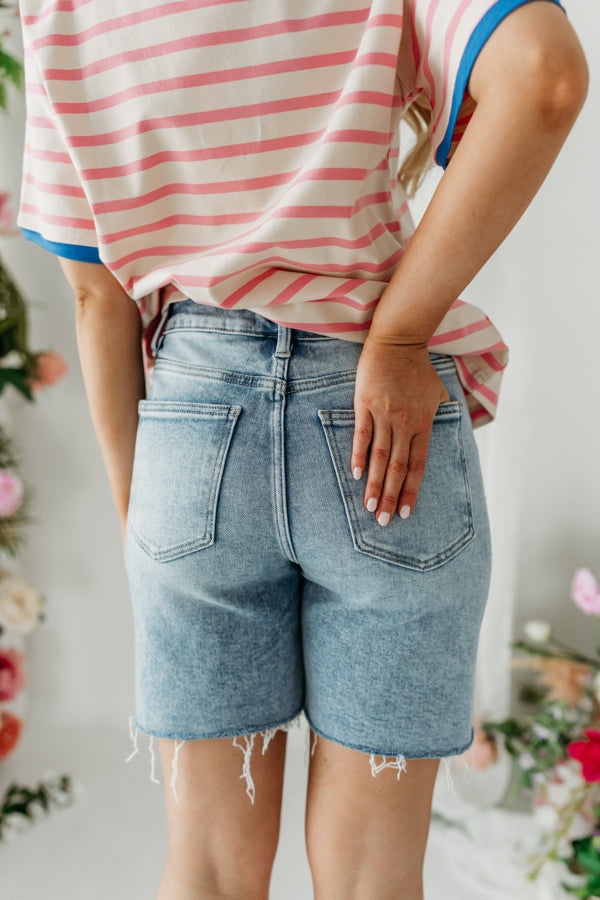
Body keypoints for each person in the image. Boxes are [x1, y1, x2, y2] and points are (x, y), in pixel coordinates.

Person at [17, 0, 588, 897]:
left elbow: (96, 298)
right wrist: (400, 335)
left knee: (206, 871)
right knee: (373, 880)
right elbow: (543, 75)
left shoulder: (61, 10)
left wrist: (145, 521)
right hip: (379, 434)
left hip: (192, 428)